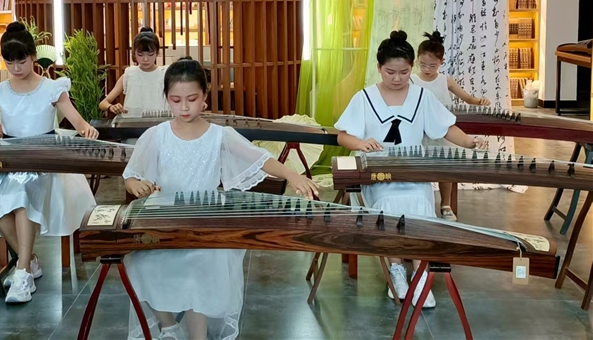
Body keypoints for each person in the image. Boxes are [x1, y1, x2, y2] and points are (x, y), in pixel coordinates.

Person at [122, 57, 319, 339]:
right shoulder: (156, 135)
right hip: (164, 223)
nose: (184, 107)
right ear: (166, 98)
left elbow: (260, 159)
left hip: (205, 226)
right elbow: (131, 176)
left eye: (192, 99)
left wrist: (292, 175)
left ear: (205, 96)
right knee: (139, 263)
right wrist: (136, 184)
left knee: (201, 266)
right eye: (176, 100)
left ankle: (199, 336)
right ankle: (169, 327)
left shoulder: (219, 135)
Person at [334, 30, 485, 309]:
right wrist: (361, 143)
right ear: (379, 67)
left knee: (420, 205)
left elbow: (445, 128)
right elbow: (343, 136)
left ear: (411, 68)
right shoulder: (365, 97)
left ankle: (420, 274)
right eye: (390, 72)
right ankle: (396, 270)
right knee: (389, 204)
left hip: (413, 172)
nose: (397, 78)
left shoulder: (422, 96)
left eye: (404, 72)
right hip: (377, 174)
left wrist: (470, 142)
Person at [0, 21, 99, 304]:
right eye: (9, 62)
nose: (16, 68)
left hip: (44, 163)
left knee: (21, 197)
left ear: (33, 56)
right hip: (10, 162)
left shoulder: (52, 88)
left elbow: (79, 122)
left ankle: (22, 273)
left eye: (21, 61)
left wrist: (88, 131)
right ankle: (30, 261)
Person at [412, 31, 491, 221]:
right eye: (422, 64)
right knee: (418, 169)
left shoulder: (445, 80)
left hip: (443, 132)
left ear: (441, 62)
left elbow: (467, 98)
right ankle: (421, 203)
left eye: (432, 65)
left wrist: (479, 101)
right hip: (419, 133)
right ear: (416, 61)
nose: (427, 69)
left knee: (445, 168)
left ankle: (445, 205)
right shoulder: (412, 80)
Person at [99, 28, 170, 116]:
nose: (145, 59)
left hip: (159, 121)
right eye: (140, 55)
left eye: (150, 54)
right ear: (134, 53)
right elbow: (103, 103)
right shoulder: (129, 74)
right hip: (131, 122)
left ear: (157, 53)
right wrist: (111, 107)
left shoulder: (165, 74)